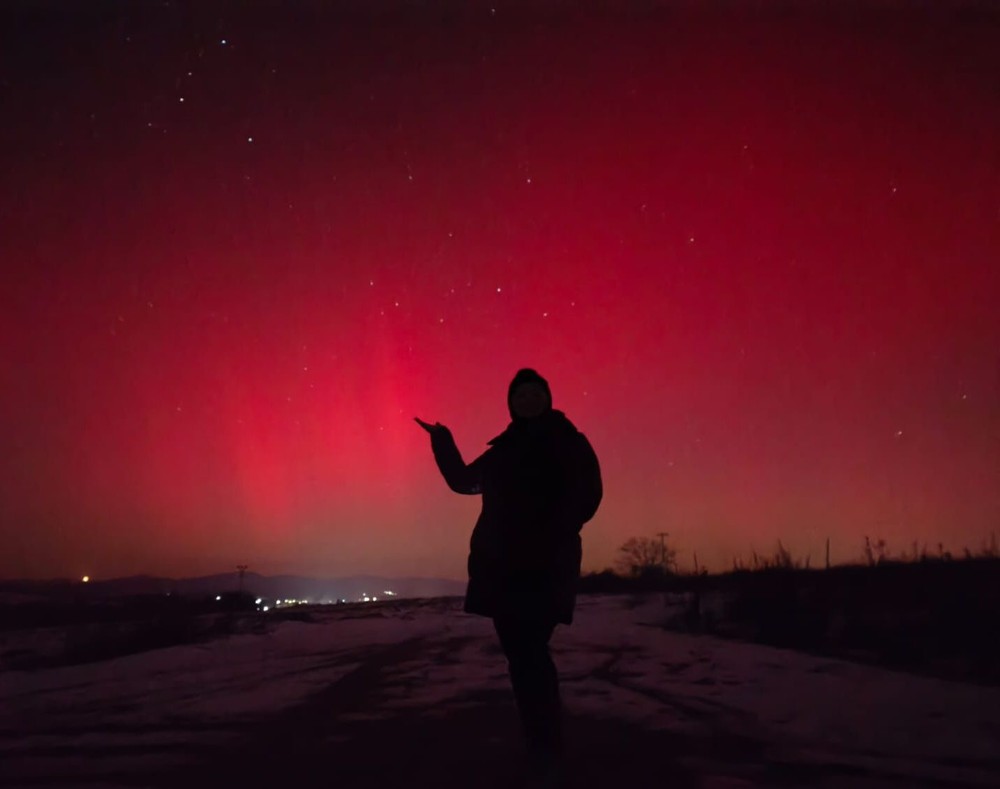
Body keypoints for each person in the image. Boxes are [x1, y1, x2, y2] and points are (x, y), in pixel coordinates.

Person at [415, 368, 602, 783]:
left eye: (536, 394)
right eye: (521, 396)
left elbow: (589, 494)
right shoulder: (503, 450)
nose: (528, 400)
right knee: (521, 657)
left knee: (531, 653)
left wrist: (553, 529)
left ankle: (547, 749)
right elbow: (465, 482)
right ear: (511, 404)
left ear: (548, 399)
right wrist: (442, 440)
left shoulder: (568, 440)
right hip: (502, 567)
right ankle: (540, 744)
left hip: (546, 565)